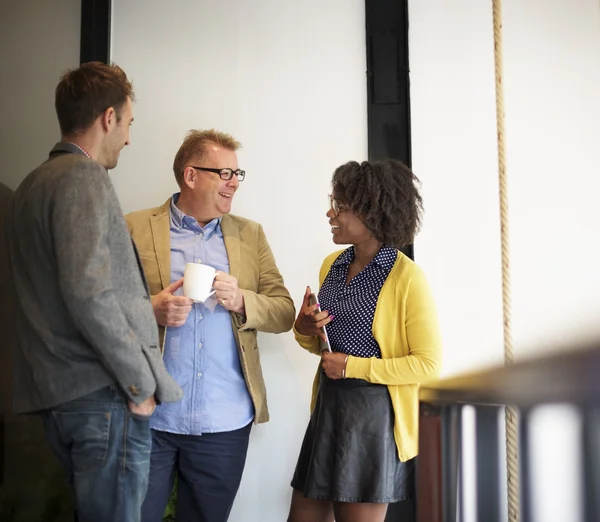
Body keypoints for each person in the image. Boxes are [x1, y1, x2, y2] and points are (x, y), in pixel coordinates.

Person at [6, 62, 183, 522]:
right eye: (127, 123)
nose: (128, 137)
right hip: (103, 397)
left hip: (56, 397)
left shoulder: (29, 187)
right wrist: (138, 382)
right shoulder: (82, 177)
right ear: (109, 117)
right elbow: (87, 291)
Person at [125, 129, 296, 522]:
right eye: (225, 173)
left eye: (238, 174)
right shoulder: (133, 226)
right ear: (191, 175)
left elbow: (284, 310)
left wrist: (242, 300)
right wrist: (151, 308)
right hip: (150, 414)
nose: (235, 182)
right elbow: (100, 307)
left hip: (224, 420)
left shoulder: (250, 234)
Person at [287, 159, 442, 522]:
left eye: (340, 206)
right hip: (328, 409)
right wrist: (307, 330)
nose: (330, 213)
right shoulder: (332, 264)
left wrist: (353, 366)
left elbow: (428, 363)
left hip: (372, 421)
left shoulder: (407, 278)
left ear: (374, 212)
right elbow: (325, 346)